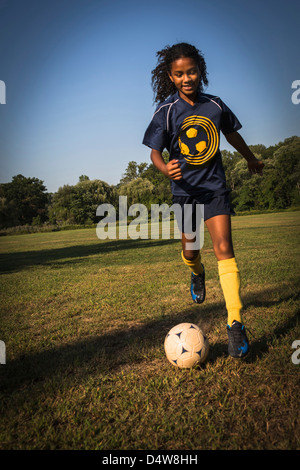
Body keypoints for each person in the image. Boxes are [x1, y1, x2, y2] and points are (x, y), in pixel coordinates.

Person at [142, 43, 264, 358]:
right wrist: (162, 167)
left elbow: (232, 134)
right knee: (190, 250)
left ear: (201, 71)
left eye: (192, 71)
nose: (187, 78)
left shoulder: (215, 105)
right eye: (180, 74)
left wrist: (250, 158)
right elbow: (155, 151)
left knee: (224, 249)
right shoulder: (166, 111)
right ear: (170, 76)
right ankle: (197, 271)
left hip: (214, 189)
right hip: (184, 193)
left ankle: (235, 323)